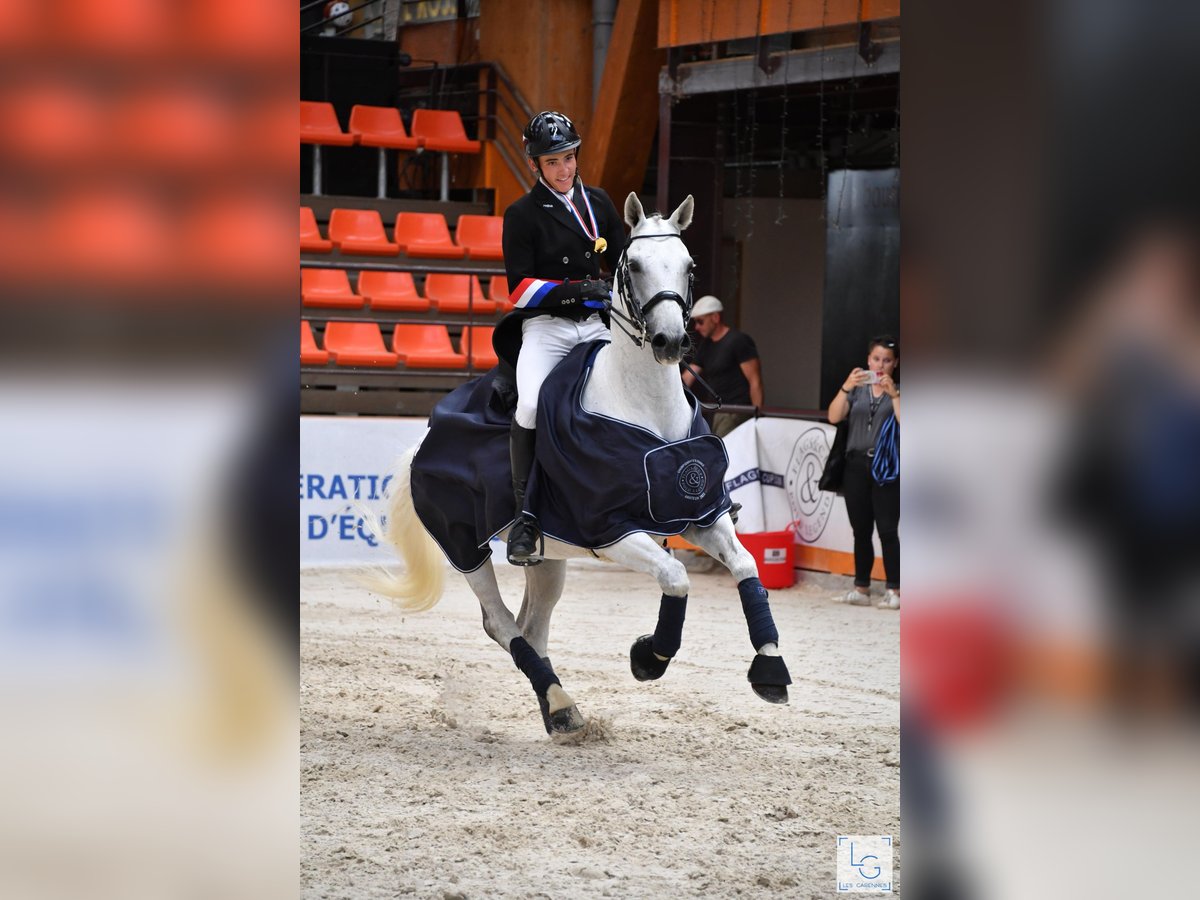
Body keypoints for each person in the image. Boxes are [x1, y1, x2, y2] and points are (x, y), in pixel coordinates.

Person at [496, 109, 626, 566]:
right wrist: (578, 289)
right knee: (530, 403)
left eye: (569, 157)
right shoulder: (522, 214)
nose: (564, 168)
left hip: (596, 324)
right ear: (536, 164)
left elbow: (627, 260)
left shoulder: (601, 202)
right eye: (553, 161)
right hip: (548, 326)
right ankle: (524, 517)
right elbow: (519, 289)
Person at [827, 335, 900, 609]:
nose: (881, 365)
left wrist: (894, 394)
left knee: (888, 530)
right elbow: (834, 416)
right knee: (860, 530)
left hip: (887, 468)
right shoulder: (857, 389)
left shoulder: (900, 390)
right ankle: (861, 587)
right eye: (876, 359)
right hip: (855, 464)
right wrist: (846, 387)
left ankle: (895, 589)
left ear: (895, 364)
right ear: (868, 360)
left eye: (887, 360)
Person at [680, 295, 764, 437]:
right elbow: (688, 377)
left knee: (724, 447)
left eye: (701, 321)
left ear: (715, 318)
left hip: (737, 411)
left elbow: (755, 381)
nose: (697, 327)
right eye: (696, 322)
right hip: (715, 410)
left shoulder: (739, 341)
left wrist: (757, 417)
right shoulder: (706, 345)